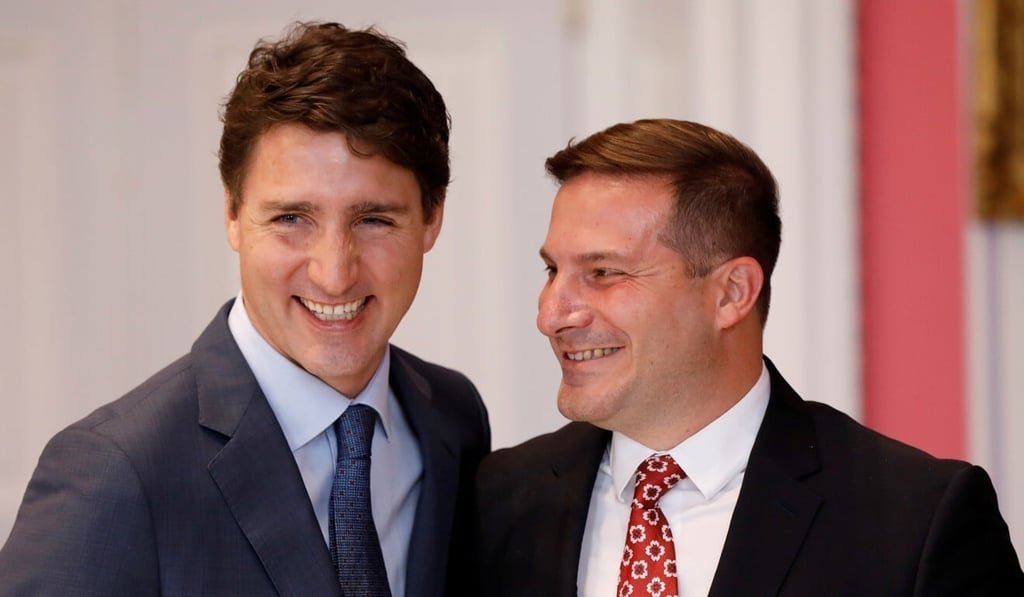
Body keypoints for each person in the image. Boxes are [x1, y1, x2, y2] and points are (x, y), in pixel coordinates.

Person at [0, 21, 490, 596]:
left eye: (374, 219)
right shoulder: (113, 474)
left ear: (431, 219)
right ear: (232, 213)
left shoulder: (452, 419)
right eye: (291, 219)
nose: (334, 273)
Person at [474, 118, 1023, 596]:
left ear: (732, 293)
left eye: (603, 273)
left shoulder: (917, 520)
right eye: (553, 271)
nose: (551, 315)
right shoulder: (499, 498)